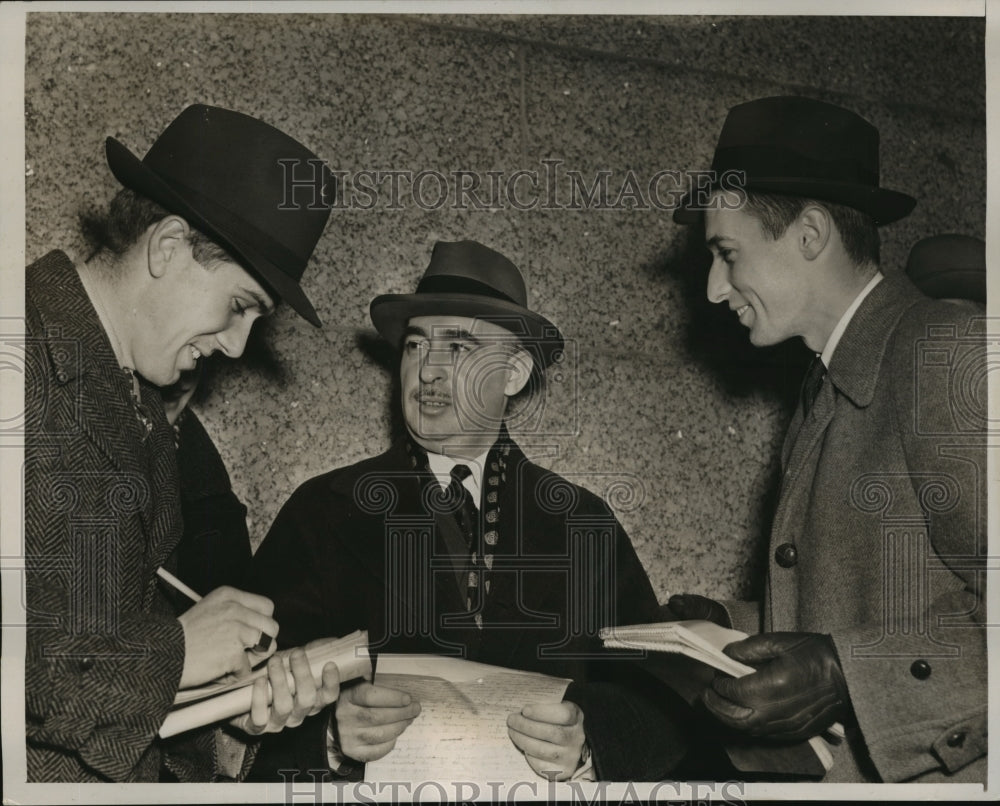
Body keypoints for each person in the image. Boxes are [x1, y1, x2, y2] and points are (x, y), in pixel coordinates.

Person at [245, 240, 686, 782]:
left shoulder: (582, 523)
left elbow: (661, 704)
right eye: (414, 346)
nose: (427, 371)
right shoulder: (322, 511)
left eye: (459, 348)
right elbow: (240, 705)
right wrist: (331, 740)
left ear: (515, 373)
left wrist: (590, 743)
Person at [670, 96, 987, 783]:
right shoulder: (826, 386)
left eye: (727, 254)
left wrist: (849, 672)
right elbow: (882, 597)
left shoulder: (946, 353)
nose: (715, 288)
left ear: (810, 234)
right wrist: (727, 624)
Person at [25, 104, 341, 782]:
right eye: (239, 306)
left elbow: (99, 688)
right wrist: (174, 652)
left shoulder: (139, 406)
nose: (235, 345)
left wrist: (229, 718)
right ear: (167, 247)